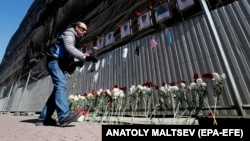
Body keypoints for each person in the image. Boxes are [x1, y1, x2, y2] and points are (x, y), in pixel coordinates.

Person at [36, 22, 98, 127]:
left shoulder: (76, 39)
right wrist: (84, 57)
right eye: (83, 29)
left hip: (60, 64)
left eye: (86, 30)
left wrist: (78, 61)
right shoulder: (69, 33)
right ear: (76, 27)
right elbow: (69, 47)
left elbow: (69, 54)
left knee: (57, 89)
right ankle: (64, 116)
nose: (85, 32)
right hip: (55, 62)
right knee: (61, 85)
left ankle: (43, 118)